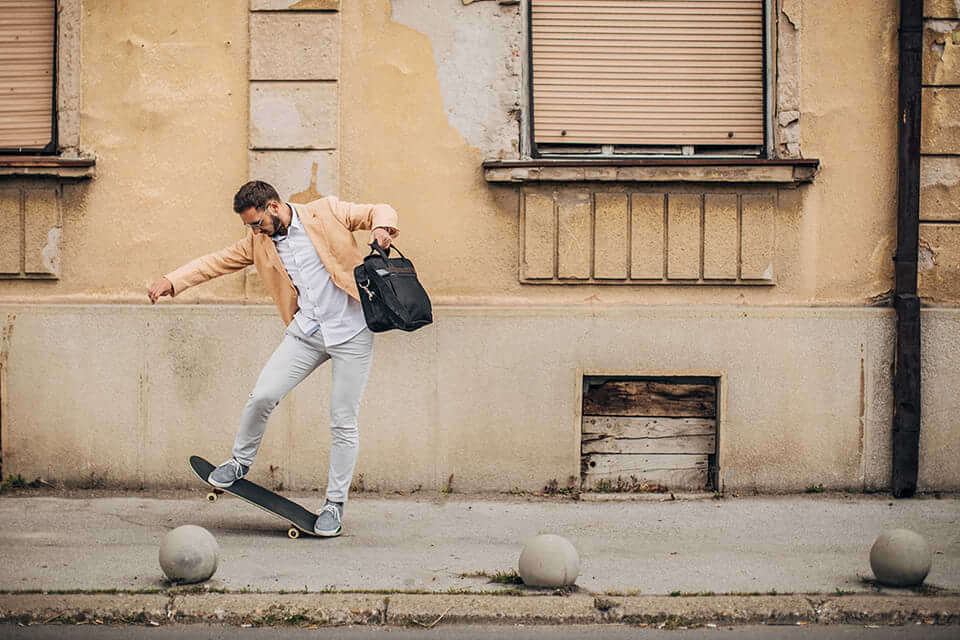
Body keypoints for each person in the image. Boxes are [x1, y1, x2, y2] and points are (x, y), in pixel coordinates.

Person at [148, 180, 398, 537]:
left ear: (275, 207)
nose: (254, 231)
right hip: (307, 333)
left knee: (343, 421)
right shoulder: (258, 243)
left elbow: (379, 209)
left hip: (352, 332)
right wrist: (172, 281)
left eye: (257, 223)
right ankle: (239, 463)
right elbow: (215, 263)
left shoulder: (326, 211)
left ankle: (333, 505)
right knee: (262, 396)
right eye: (250, 226)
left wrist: (380, 228)